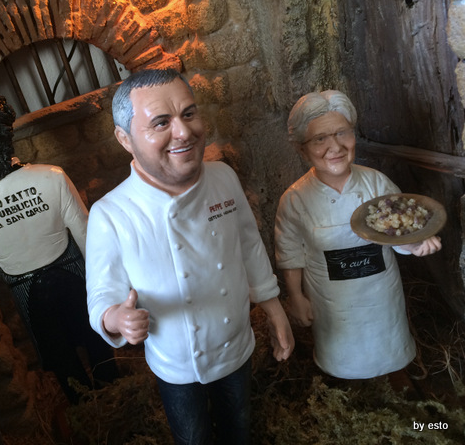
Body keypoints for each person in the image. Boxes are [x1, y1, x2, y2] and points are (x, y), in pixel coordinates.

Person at [85, 68, 294, 444]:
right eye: (161, 122)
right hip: (176, 362)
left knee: (239, 424)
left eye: (189, 113)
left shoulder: (223, 177)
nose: (183, 132)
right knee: (192, 436)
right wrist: (117, 319)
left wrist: (274, 308)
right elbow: (101, 295)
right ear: (125, 139)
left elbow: (248, 246)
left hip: (236, 343)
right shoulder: (111, 214)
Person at [0, 90, 118, 404]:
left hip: (27, 292)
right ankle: (118, 396)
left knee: (60, 360)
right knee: (98, 343)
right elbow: (89, 241)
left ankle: (86, 410)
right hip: (76, 279)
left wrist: (13, 257)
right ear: (5, 131)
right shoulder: (52, 177)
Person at [274, 90, 442, 380]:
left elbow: (400, 232)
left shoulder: (377, 183)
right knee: (341, 363)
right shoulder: (295, 199)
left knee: (389, 352)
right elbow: (290, 251)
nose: (335, 146)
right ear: (302, 149)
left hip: (381, 295)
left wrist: (417, 244)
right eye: (320, 139)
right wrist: (296, 296)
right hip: (331, 302)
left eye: (342, 133)